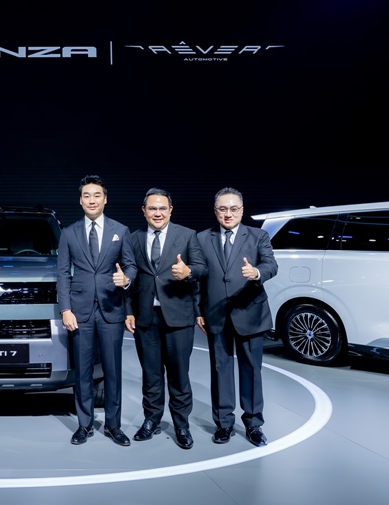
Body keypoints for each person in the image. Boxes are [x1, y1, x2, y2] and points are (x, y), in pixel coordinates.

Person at [56, 174, 137, 446]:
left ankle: (114, 425)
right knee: (83, 371)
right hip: (79, 312)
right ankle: (84, 425)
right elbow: (62, 274)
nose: (92, 200)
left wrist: (126, 278)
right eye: (87, 196)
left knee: (113, 371)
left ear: (105, 199)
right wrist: (65, 309)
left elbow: (131, 265)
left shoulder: (120, 230)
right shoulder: (69, 233)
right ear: (80, 201)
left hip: (111, 309)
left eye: (97, 195)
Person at [124, 188, 208, 450]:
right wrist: (128, 310)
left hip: (178, 316)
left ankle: (181, 425)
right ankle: (151, 420)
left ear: (171, 210)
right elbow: (129, 277)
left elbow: (202, 268)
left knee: (179, 374)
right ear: (144, 211)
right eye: (152, 208)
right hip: (145, 317)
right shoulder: (133, 238)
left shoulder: (187, 235)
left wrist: (188, 271)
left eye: (162, 208)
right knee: (150, 374)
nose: (157, 213)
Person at [197, 187, 278, 447]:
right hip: (216, 314)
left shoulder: (258, 235)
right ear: (215, 211)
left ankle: (253, 424)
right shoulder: (202, 238)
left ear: (242, 211)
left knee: (251, 370)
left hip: (250, 312)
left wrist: (256, 273)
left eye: (233, 209)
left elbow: (271, 264)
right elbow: (199, 279)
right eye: (223, 209)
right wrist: (199, 311)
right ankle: (224, 423)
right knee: (220, 369)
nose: (228, 214)